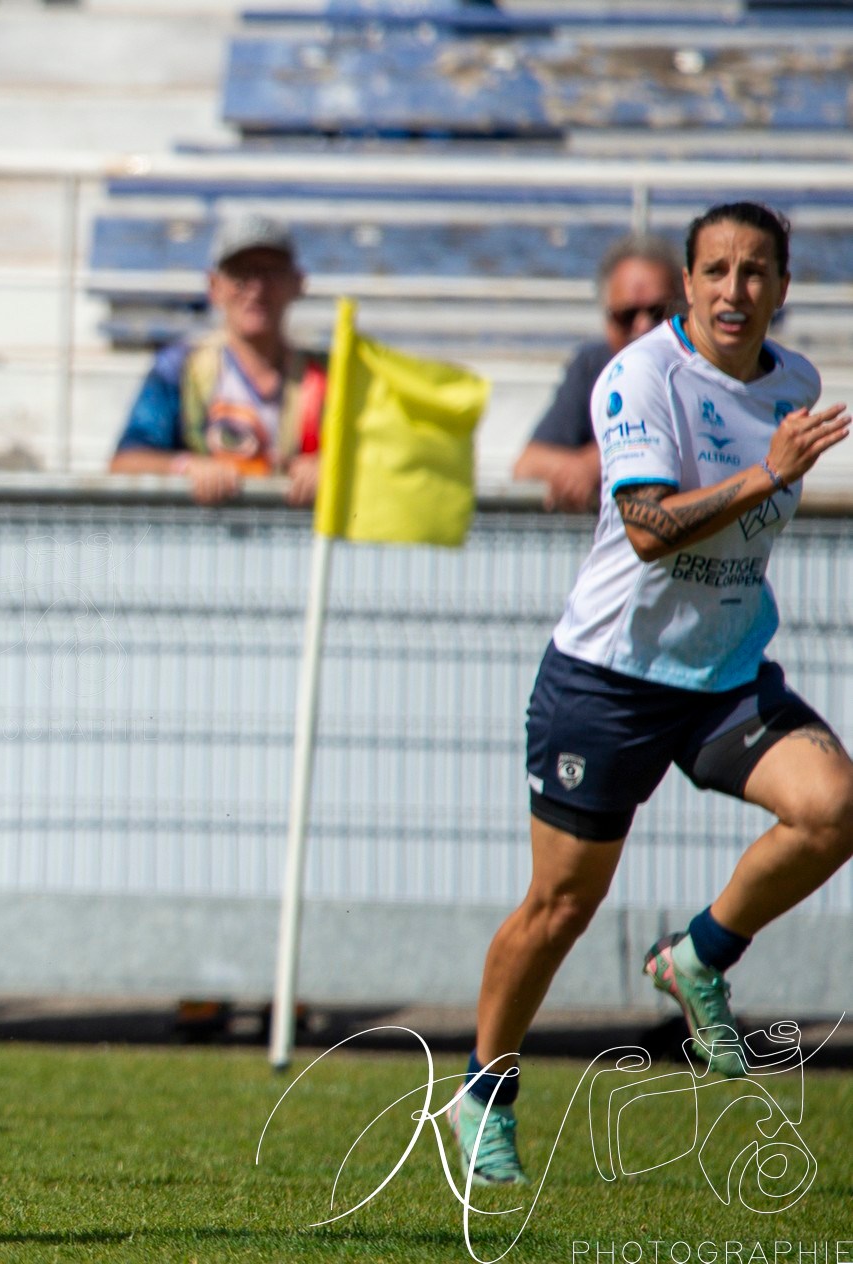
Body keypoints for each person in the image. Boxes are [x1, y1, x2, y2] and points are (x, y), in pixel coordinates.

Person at [449, 203, 853, 1187]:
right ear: (686, 282)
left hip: (721, 678)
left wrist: (773, 469)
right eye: (715, 269)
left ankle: (701, 956)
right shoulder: (639, 378)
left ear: (783, 288)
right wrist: (769, 474)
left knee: (833, 808)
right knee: (561, 904)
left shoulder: (795, 384)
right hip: (608, 681)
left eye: (755, 272)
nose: (734, 290)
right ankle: (482, 1092)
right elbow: (644, 527)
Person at [110, 213, 324, 507]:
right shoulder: (180, 370)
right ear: (214, 286)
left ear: (298, 283)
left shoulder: (328, 376)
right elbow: (125, 463)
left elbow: (382, 456)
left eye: (271, 273)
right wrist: (186, 466)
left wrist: (332, 469)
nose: (256, 289)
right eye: (241, 274)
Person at [512, 233, 683, 512]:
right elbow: (527, 465)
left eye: (658, 311)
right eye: (626, 315)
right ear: (606, 317)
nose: (642, 326)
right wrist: (579, 470)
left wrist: (600, 463)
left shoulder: (704, 369)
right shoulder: (592, 365)